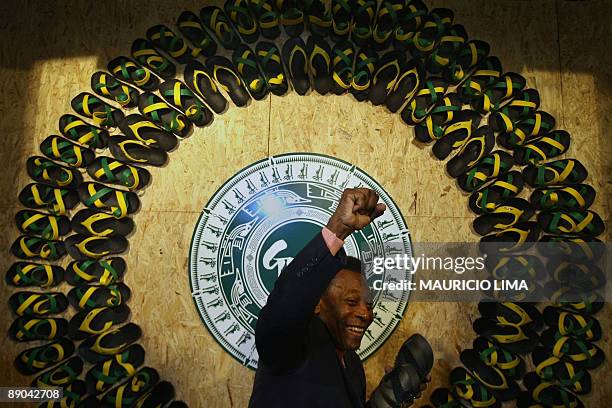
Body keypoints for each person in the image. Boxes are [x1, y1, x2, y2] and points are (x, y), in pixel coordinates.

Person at [248, 188, 386, 407]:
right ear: (316, 303)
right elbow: (287, 303)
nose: (365, 313)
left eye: (368, 305)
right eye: (351, 302)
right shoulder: (290, 346)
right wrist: (337, 231)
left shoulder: (353, 364)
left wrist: (388, 398)